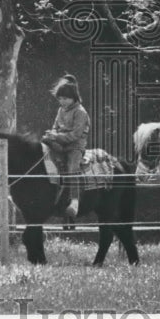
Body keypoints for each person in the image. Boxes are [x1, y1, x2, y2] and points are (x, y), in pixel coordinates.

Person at [42, 74, 90, 218]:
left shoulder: (81, 113)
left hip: (74, 147)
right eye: (60, 99)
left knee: (72, 167)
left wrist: (56, 136)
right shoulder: (61, 110)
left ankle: (75, 201)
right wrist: (51, 135)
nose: (62, 101)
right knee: (42, 156)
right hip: (59, 143)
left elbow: (76, 135)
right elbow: (55, 126)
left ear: (73, 98)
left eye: (65, 98)